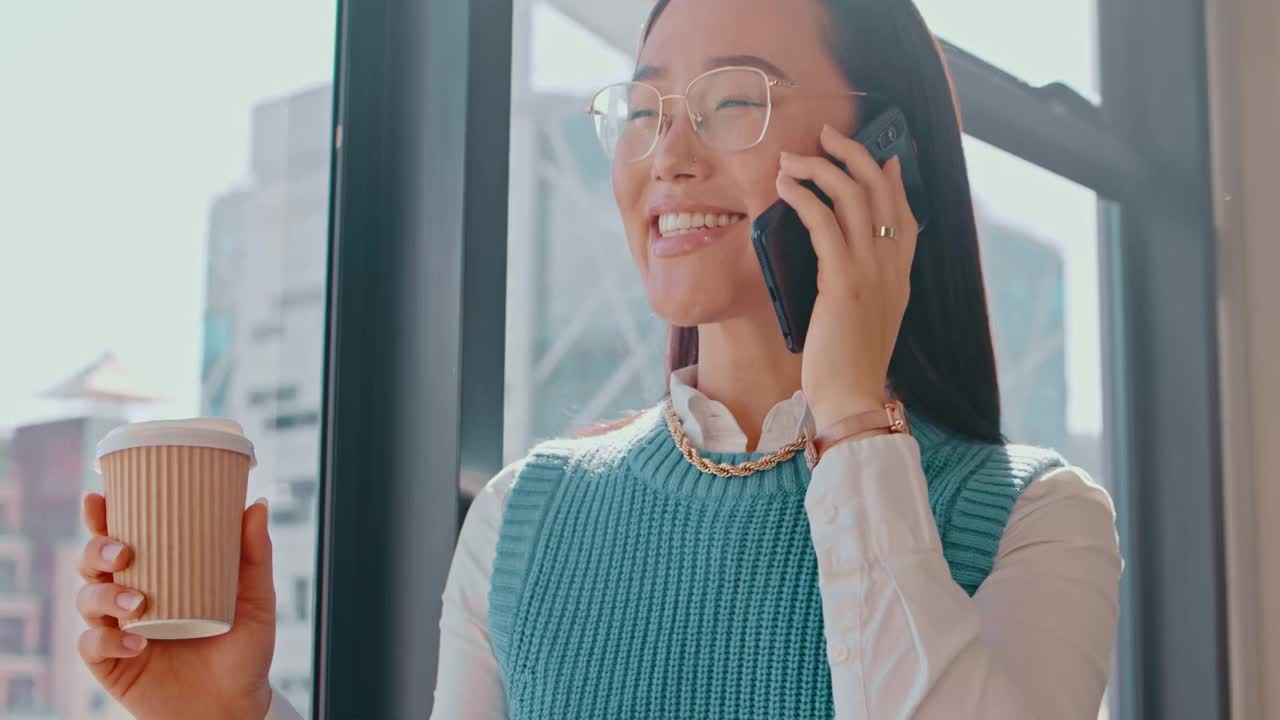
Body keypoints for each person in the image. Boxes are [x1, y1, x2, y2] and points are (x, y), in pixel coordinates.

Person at [74, 0, 1123, 717]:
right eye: (643, 106)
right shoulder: (526, 514)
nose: (666, 153)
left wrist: (848, 411)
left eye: (730, 101)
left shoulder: (1036, 521)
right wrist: (230, 711)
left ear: (882, 153)